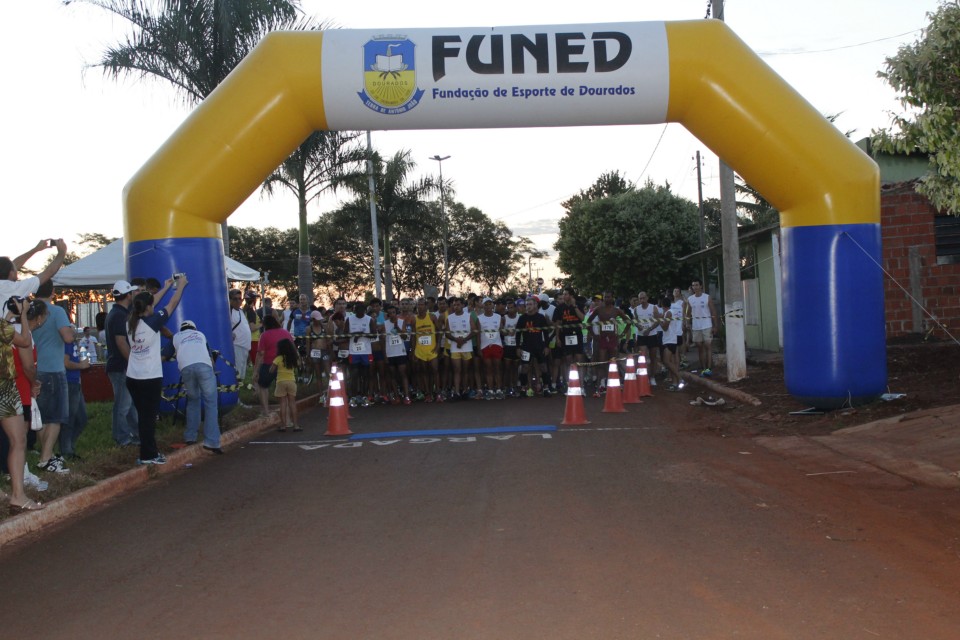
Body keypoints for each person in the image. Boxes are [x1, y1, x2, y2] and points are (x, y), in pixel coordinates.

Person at [126, 275, 187, 465]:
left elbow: (149, 302)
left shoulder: (130, 321)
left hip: (133, 376)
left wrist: (167, 286)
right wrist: (180, 286)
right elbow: (173, 303)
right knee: (148, 418)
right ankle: (149, 455)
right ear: (149, 309)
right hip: (149, 376)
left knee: (144, 416)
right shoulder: (152, 323)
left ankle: (146, 453)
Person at [1, 296, 45, 513]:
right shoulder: (2, 327)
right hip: (4, 388)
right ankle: (18, 495)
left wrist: (10, 314)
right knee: (18, 440)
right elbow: (25, 341)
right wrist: (24, 316)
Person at [32, 279, 74, 473]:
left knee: (41, 417)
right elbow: (68, 337)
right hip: (54, 369)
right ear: (53, 292)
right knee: (56, 417)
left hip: (34, 369)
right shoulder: (56, 311)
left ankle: (46, 455)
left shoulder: (29, 312)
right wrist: (71, 330)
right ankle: (46, 458)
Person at [172, 320, 222, 454]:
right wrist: (213, 371)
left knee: (193, 400)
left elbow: (168, 354)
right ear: (194, 328)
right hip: (204, 367)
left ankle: (190, 437)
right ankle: (212, 442)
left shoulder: (176, 337)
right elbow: (210, 358)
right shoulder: (200, 335)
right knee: (210, 403)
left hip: (186, 369)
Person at [105, 280, 141, 447]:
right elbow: (121, 342)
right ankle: (122, 438)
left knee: (130, 403)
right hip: (121, 366)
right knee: (123, 405)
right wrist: (133, 362)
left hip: (118, 365)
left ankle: (135, 435)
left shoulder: (115, 313)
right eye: (132, 293)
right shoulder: (119, 316)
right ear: (128, 295)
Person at [0, 239, 68, 305]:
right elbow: (48, 273)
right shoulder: (12, 288)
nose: (17, 269)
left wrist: (36, 249)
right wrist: (62, 252)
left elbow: (12, 265)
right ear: (11, 273)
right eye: (14, 269)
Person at [253, 315, 294, 417]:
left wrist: (256, 370)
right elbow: (293, 348)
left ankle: (266, 412)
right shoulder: (285, 333)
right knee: (284, 391)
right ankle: (287, 416)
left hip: (269, 364)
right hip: (285, 365)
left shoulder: (264, 335)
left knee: (263, 386)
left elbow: (261, 354)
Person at [60, 330, 91, 460]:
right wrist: (81, 365)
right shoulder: (66, 343)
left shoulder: (74, 343)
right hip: (69, 382)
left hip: (75, 382)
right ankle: (66, 450)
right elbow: (65, 362)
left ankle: (69, 446)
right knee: (70, 418)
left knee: (82, 419)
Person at [516, 297, 552, 397]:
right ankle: (523, 388)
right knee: (525, 367)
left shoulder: (541, 317)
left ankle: (546, 388)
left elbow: (546, 333)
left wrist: (546, 346)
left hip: (539, 346)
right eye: (527, 304)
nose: (528, 306)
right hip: (526, 347)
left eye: (530, 304)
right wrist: (518, 347)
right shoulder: (522, 318)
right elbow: (518, 334)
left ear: (535, 305)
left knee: (543, 367)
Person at [444, 297, 478, 400]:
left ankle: (465, 390)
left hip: (467, 347)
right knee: (457, 370)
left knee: (466, 370)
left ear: (463, 305)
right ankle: (457, 392)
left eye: (458, 305)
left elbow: (474, 330)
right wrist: (456, 340)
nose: (456, 307)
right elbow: (447, 333)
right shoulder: (449, 318)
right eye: (454, 305)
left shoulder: (468, 316)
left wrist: (463, 340)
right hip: (455, 348)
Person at [685, 279, 718, 376]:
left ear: (701, 286)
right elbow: (688, 313)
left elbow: (713, 312)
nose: (695, 287)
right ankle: (703, 368)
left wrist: (715, 326)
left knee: (708, 346)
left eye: (696, 285)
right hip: (696, 326)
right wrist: (687, 323)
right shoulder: (690, 299)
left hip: (707, 325)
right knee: (699, 347)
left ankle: (709, 368)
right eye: (693, 285)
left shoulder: (707, 297)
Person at [413, 297, 442, 402]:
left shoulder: (432, 317)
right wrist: (413, 351)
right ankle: (428, 394)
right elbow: (412, 336)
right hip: (420, 351)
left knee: (435, 371)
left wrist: (438, 345)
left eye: (422, 305)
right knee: (424, 372)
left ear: (426, 306)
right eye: (418, 305)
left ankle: (438, 393)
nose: (420, 307)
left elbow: (439, 331)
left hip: (432, 350)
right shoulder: (414, 319)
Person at [383, 304, 412, 404]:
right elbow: (383, 341)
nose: (392, 315)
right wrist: (385, 355)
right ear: (387, 314)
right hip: (390, 353)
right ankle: (396, 396)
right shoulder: (385, 324)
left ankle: (407, 396)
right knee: (393, 375)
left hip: (400, 352)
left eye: (394, 312)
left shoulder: (401, 322)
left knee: (403, 374)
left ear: (396, 313)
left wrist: (397, 328)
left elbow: (404, 337)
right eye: (390, 313)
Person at [632, 291, 662, 387]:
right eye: (640, 298)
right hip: (641, 336)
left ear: (647, 298)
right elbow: (634, 320)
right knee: (643, 357)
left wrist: (649, 329)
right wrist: (639, 326)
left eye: (643, 298)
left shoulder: (653, 307)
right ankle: (643, 378)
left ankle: (652, 377)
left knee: (653, 358)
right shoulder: (636, 309)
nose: (642, 300)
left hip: (652, 335)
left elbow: (658, 321)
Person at [270, 338, 301, 432]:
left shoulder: (278, 359)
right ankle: (296, 425)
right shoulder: (293, 358)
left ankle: (283, 425)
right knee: (292, 404)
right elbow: (299, 365)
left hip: (280, 382)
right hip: (291, 381)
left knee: (283, 404)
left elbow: (271, 370)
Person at [477, 297, 504, 399]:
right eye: (486, 304)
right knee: (488, 369)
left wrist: (508, 332)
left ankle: (498, 390)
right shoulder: (479, 318)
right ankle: (490, 390)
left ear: (493, 305)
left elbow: (501, 330)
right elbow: (478, 335)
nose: (488, 306)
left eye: (490, 304)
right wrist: (479, 348)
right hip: (485, 346)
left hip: (497, 345)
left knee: (497, 368)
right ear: (483, 306)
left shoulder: (498, 317)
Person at [660, 294, 686, 392]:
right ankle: (675, 383)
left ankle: (680, 379)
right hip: (671, 339)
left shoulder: (668, 313)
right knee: (670, 362)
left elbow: (665, 327)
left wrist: (660, 322)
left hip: (669, 340)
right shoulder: (672, 312)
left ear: (662, 305)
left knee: (666, 361)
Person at [229, 288, 252, 385]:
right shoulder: (229, 311)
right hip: (237, 346)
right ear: (230, 300)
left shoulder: (241, 311)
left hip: (245, 347)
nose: (238, 301)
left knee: (241, 375)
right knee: (236, 374)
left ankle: (237, 396)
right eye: (235, 299)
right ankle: (235, 397)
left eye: (239, 298)